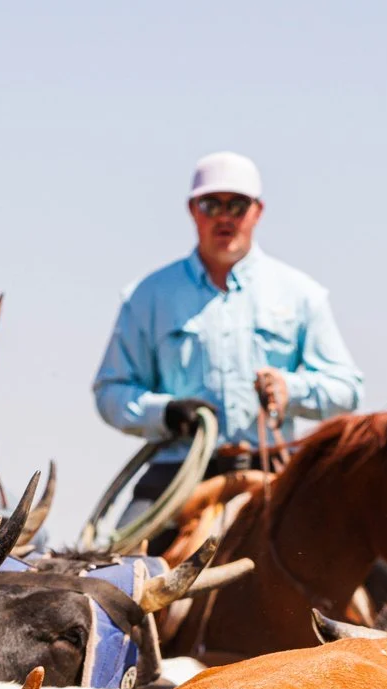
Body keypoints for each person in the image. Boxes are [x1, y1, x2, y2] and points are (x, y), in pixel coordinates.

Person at [92, 152, 365, 522]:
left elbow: (347, 387)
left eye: (237, 205)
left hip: (275, 467)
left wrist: (291, 389)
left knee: (376, 562)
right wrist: (166, 412)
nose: (224, 217)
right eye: (211, 204)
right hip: (178, 473)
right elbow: (111, 391)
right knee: (114, 572)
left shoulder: (301, 294)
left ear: (257, 211)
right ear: (193, 209)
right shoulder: (147, 296)